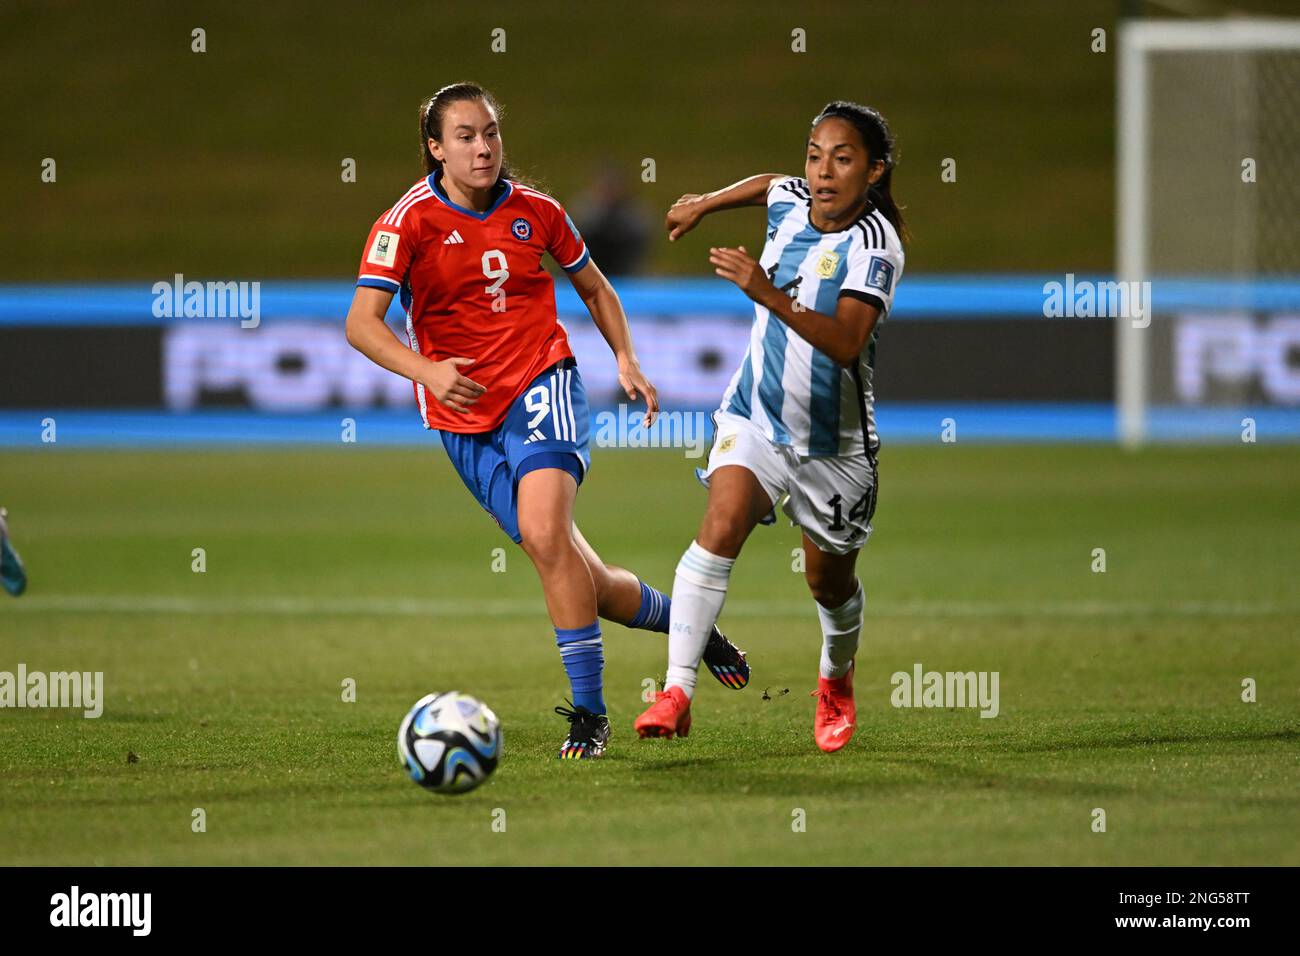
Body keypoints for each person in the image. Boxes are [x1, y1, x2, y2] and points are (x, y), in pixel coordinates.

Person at [344, 83, 749, 761]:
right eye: (466, 136)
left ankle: (590, 715)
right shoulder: (406, 223)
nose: (483, 147)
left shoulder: (538, 212)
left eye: (492, 132)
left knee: (541, 531)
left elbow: (593, 285)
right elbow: (361, 324)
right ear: (435, 148)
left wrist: (625, 358)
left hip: (543, 382)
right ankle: (692, 628)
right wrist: (429, 371)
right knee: (576, 573)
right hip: (462, 414)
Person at [634, 101, 907, 752]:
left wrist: (766, 291)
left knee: (827, 582)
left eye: (843, 159)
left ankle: (835, 681)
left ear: (874, 172)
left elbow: (846, 342)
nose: (822, 171)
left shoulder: (876, 246)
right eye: (815, 154)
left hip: (833, 449)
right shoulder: (792, 198)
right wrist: (704, 201)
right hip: (756, 413)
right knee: (720, 525)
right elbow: (768, 185)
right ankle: (675, 692)